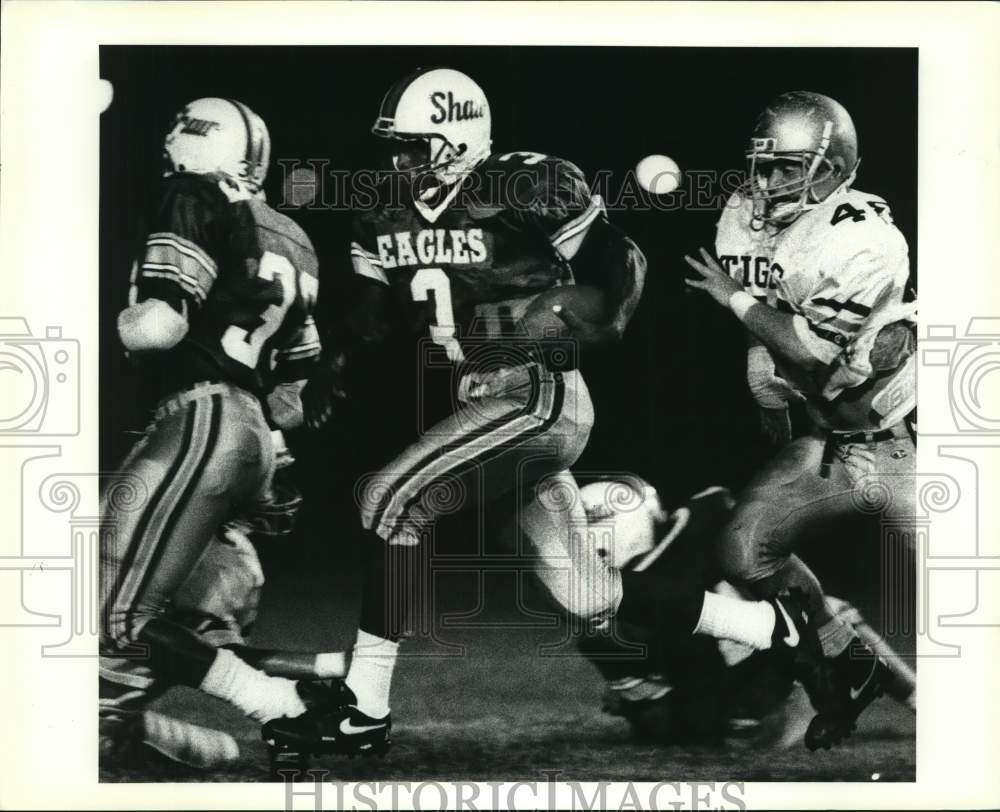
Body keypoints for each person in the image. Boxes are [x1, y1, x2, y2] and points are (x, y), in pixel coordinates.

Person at [263, 66, 648, 759]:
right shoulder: (385, 212)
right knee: (587, 595)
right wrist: (327, 375)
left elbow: (619, 255)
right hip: (490, 402)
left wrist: (606, 316)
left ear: (454, 138)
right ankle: (762, 634)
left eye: (414, 145)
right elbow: (372, 318)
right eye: (397, 147)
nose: (400, 160)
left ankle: (362, 712)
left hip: (537, 389)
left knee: (391, 499)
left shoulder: (522, 183)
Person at [683, 91, 917, 749]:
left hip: (914, 438)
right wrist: (765, 381)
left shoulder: (862, 238)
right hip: (839, 440)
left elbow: (812, 346)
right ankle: (854, 661)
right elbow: (773, 321)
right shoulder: (743, 218)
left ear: (832, 167)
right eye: (762, 166)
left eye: (786, 168)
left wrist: (732, 303)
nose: (765, 183)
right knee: (746, 548)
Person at [101, 97, 330, 731]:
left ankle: (280, 708)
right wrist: (270, 461)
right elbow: (294, 391)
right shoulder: (291, 233)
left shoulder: (193, 194)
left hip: (200, 424)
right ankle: (337, 672)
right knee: (175, 629)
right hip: (248, 437)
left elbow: (158, 327)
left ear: (190, 140)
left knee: (109, 621)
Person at [575, 477, 916, 746]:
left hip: (718, 724)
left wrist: (634, 702)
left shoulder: (598, 625)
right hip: (767, 710)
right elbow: (722, 515)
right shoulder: (699, 524)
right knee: (830, 612)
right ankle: (919, 701)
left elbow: (657, 723)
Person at [99, 434, 349, 769]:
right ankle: (108, 732)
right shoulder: (210, 555)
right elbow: (221, 657)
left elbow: (214, 654)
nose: (276, 489)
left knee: (223, 753)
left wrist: (334, 664)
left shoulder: (229, 555)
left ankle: (120, 729)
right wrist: (329, 667)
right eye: (269, 475)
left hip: (100, 698)